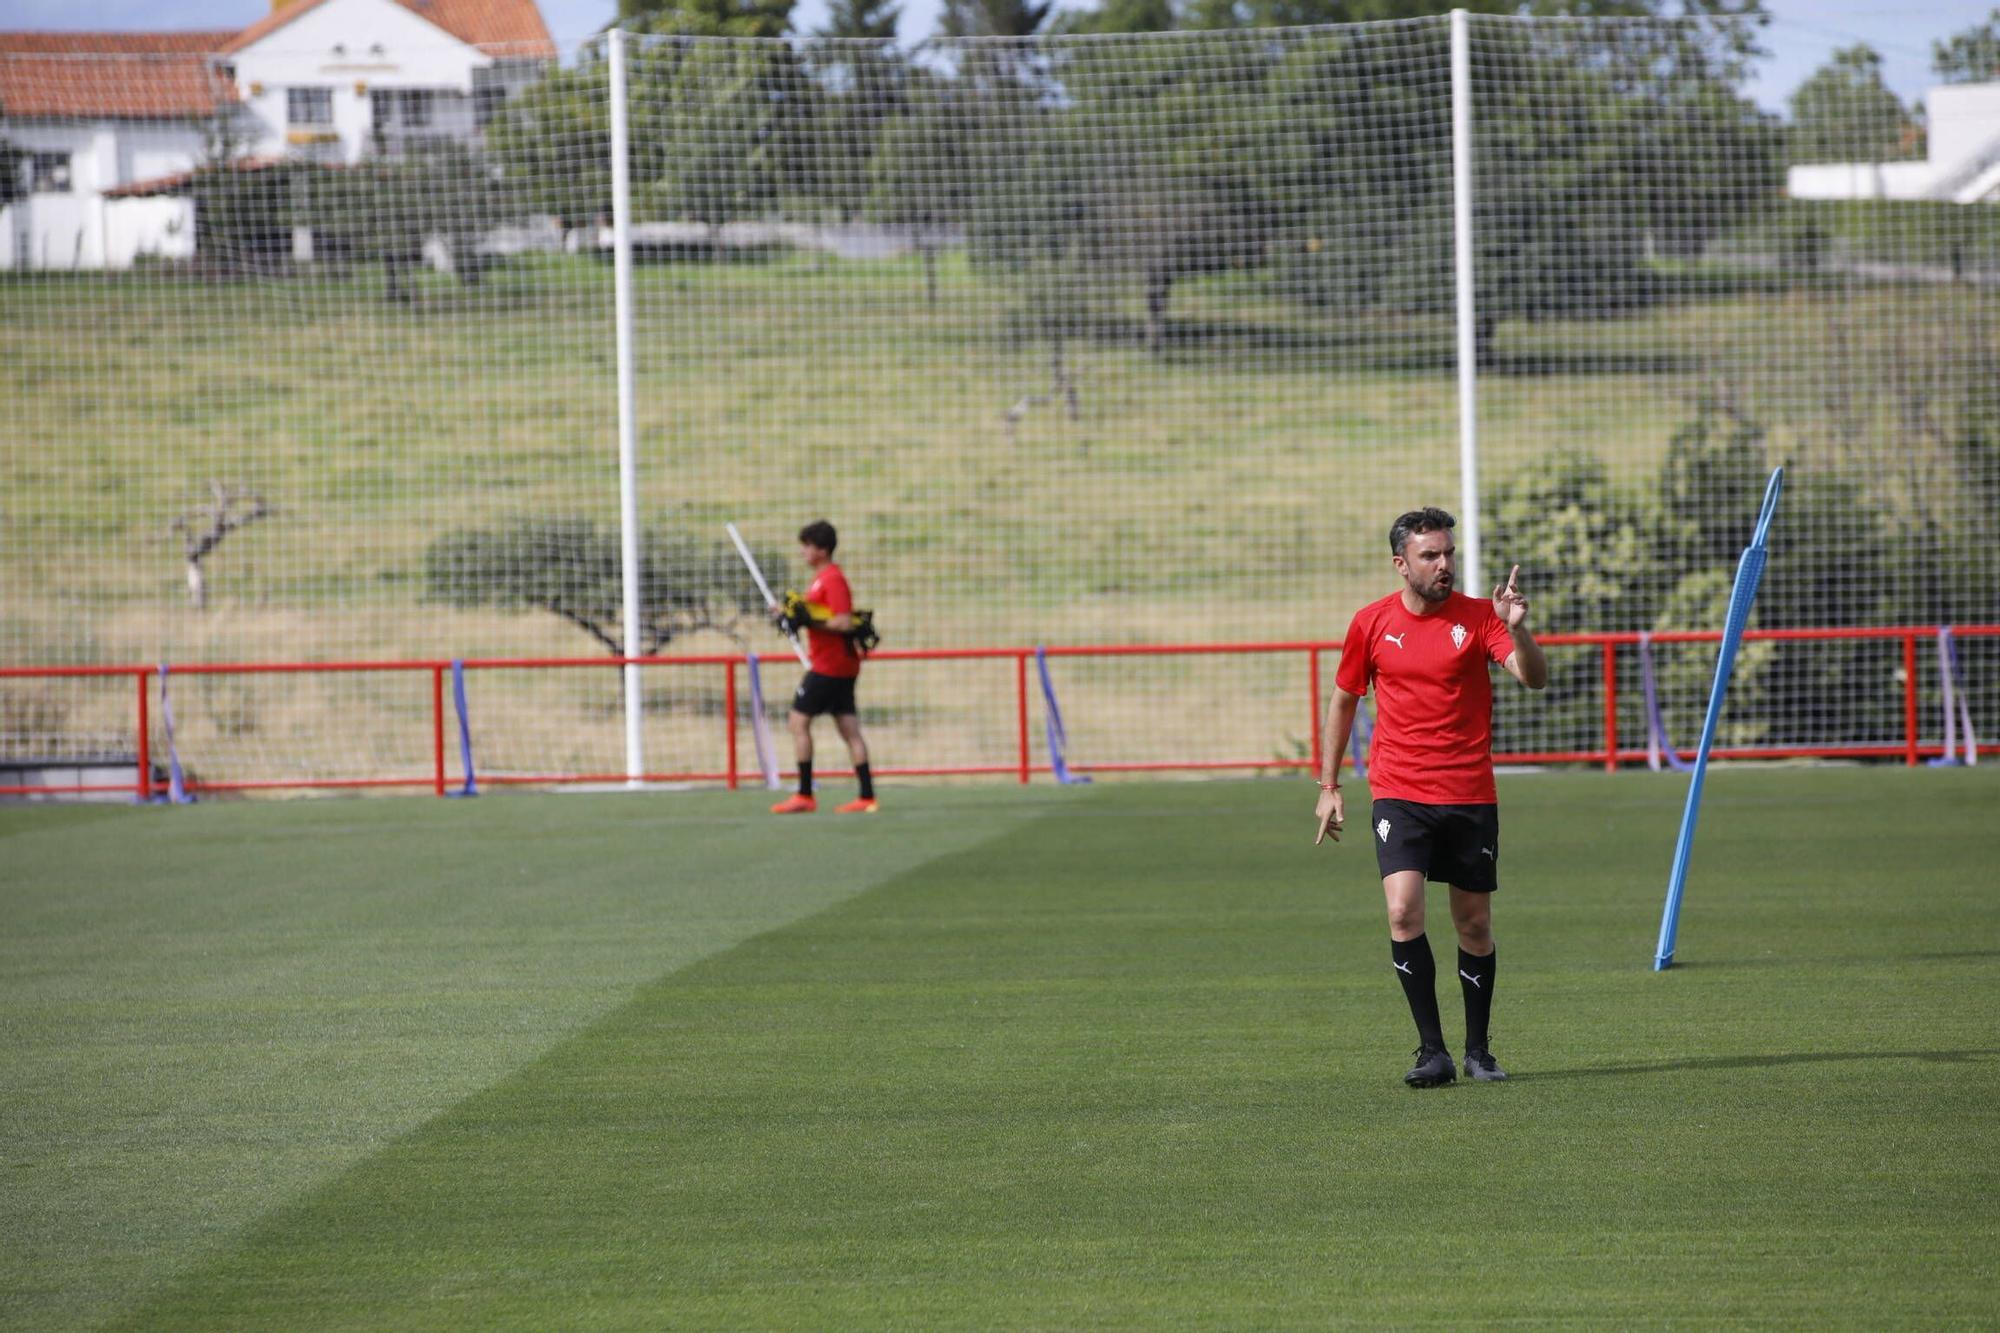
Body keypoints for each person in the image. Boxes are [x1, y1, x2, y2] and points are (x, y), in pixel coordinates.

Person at [1313, 506, 1547, 1087]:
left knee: (1473, 924)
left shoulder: (1480, 616)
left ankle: (1479, 1051)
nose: (1444, 565)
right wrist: (1329, 785)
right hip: (1399, 792)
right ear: (1401, 564)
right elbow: (1344, 700)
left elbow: (1533, 677)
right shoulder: (1370, 623)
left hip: (1469, 793)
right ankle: (1431, 1052)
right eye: (1430, 556)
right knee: (1402, 910)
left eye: (1448, 554)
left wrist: (1517, 626)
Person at [770, 519, 878, 815]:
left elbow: (842, 621)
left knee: (797, 722)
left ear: (822, 549)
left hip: (830, 665)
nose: (803, 552)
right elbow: (814, 611)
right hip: (838, 665)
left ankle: (805, 793)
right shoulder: (820, 580)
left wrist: (809, 621)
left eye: (807, 547)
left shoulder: (832, 579)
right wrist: (787, 614)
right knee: (848, 728)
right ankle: (866, 796)